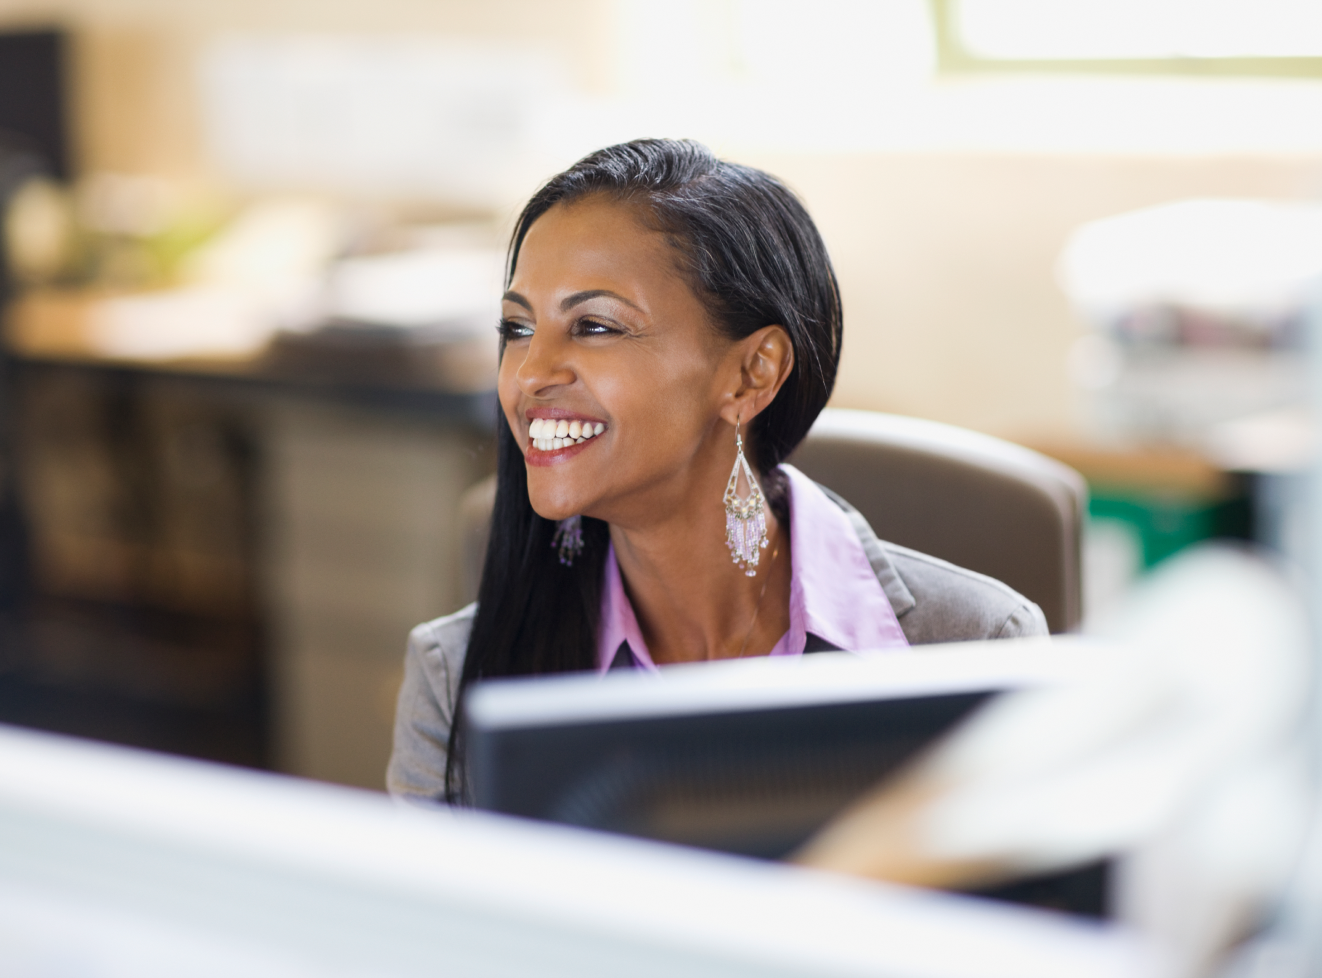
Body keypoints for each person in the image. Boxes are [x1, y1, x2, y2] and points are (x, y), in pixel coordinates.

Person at [389, 139, 1046, 804]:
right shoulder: (453, 680)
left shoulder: (977, 653)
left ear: (749, 373)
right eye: (517, 328)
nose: (529, 376)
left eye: (594, 326)